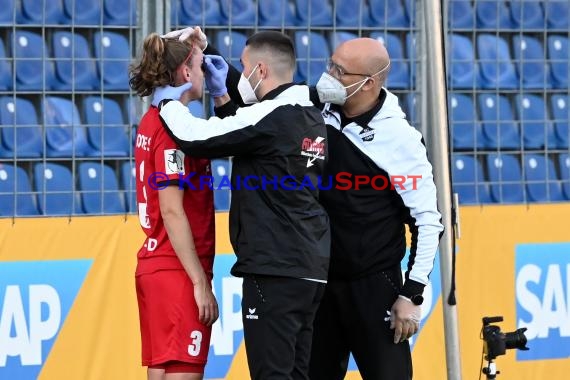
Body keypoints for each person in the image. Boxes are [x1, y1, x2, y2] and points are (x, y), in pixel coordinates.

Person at [181, 28, 443, 379]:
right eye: (330, 65)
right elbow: (262, 93)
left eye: (338, 71)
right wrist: (209, 52)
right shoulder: (314, 103)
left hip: (374, 283)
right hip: (318, 278)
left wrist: (413, 294)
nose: (328, 76)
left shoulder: (402, 140)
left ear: (367, 84)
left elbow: (428, 221)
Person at [152, 30, 331, 380]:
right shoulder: (310, 114)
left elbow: (195, 138)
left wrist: (167, 103)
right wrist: (221, 95)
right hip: (310, 267)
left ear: (260, 70)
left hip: (275, 269)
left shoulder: (272, 115)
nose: (239, 73)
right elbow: (252, 140)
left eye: (244, 67)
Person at [128, 33, 218, 380]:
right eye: (198, 65)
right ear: (183, 72)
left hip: (157, 264)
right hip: (176, 268)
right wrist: (198, 282)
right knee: (183, 369)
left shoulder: (153, 118)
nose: (204, 73)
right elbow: (172, 208)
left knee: (163, 368)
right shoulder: (173, 127)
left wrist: (193, 43)